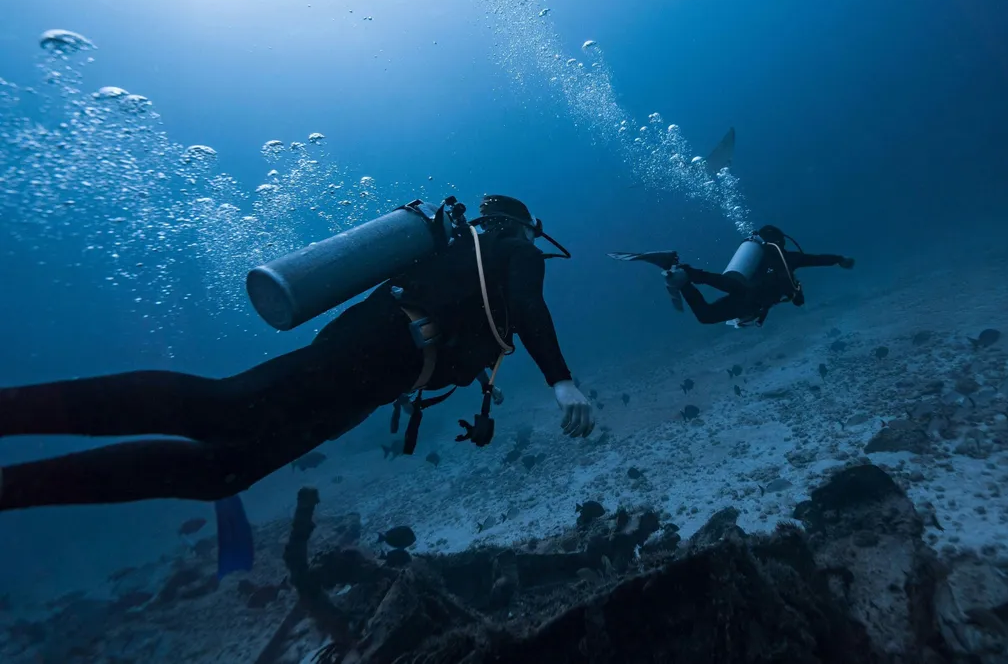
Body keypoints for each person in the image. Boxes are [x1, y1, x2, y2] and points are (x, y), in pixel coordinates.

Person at [0, 195, 595, 513]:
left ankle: (13, 488)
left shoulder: (456, 249)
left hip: (378, 363)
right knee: (224, 409)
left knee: (222, 471)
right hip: (384, 349)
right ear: (524, 227)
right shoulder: (515, 250)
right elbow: (527, 307)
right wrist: (561, 380)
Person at [610, 224, 854, 327]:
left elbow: (818, 260)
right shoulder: (788, 257)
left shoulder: (770, 256)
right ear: (780, 241)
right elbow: (818, 259)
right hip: (749, 295)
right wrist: (840, 259)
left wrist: (838, 259)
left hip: (744, 294)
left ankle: (680, 275)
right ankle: (686, 272)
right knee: (725, 289)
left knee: (708, 312)